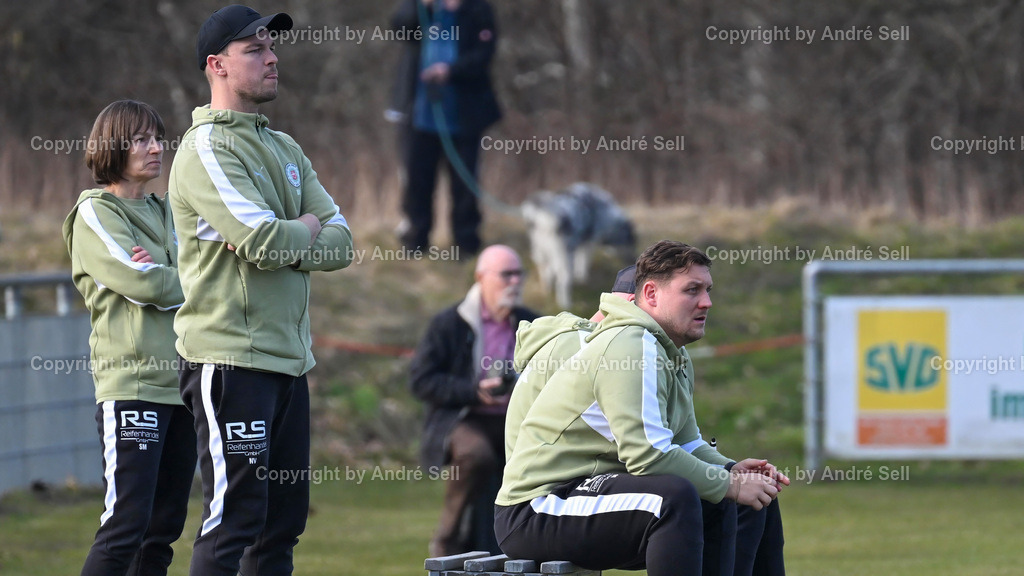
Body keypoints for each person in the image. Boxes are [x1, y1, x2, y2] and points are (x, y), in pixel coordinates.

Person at [167, 6, 354, 575]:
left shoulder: (285, 148)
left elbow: (341, 243)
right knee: (234, 521)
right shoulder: (206, 150)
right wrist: (296, 232)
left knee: (281, 525)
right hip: (231, 362)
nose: (272, 58)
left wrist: (286, 236)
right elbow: (264, 239)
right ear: (216, 65)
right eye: (254, 50)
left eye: (271, 47)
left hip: (289, 365)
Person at [495, 241, 790, 576]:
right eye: (691, 290)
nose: (707, 302)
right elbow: (647, 456)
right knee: (674, 498)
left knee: (747, 500)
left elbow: (685, 443)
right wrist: (728, 483)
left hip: (588, 495)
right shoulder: (630, 345)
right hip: (538, 508)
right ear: (650, 294)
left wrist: (731, 471)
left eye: (708, 289)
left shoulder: (671, 352)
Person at [63, 99, 197, 576]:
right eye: (142, 139)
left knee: (163, 532)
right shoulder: (95, 213)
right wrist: (176, 277)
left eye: (158, 138)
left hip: (183, 389)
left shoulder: (170, 211)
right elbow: (143, 283)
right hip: (133, 388)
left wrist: (170, 273)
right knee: (126, 525)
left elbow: (210, 269)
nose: (157, 148)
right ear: (113, 147)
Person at [410, 245, 538, 557]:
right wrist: (474, 390)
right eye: (506, 274)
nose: (515, 281)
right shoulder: (449, 323)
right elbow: (422, 380)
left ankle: (534, 545)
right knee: (476, 454)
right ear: (481, 277)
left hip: (518, 420)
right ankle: (447, 539)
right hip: (463, 417)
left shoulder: (532, 323)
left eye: (519, 273)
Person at [388, 0, 501, 254]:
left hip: (464, 115)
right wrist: (423, 6)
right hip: (419, 114)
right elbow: (400, 29)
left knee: (464, 183)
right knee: (417, 181)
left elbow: (485, 53)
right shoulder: (420, 6)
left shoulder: (478, 9)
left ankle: (466, 244)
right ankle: (415, 242)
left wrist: (451, 71)